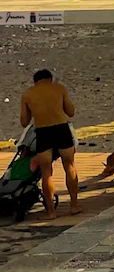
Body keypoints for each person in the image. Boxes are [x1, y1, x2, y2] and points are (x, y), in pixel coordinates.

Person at [20, 69, 79, 217]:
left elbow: (24, 121)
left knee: (46, 173)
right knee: (70, 167)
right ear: (50, 78)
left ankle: (51, 211)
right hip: (61, 129)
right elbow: (71, 112)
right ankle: (74, 205)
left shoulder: (28, 94)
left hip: (43, 132)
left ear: (35, 81)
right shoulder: (59, 89)